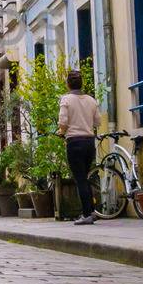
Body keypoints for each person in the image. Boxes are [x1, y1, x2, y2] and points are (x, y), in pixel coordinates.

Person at [58, 69, 103, 225]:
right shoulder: (91, 100)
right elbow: (98, 122)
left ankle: (87, 214)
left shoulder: (66, 100)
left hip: (74, 143)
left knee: (80, 179)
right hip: (89, 142)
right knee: (86, 177)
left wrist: (60, 132)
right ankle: (91, 211)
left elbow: (63, 122)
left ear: (68, 84)